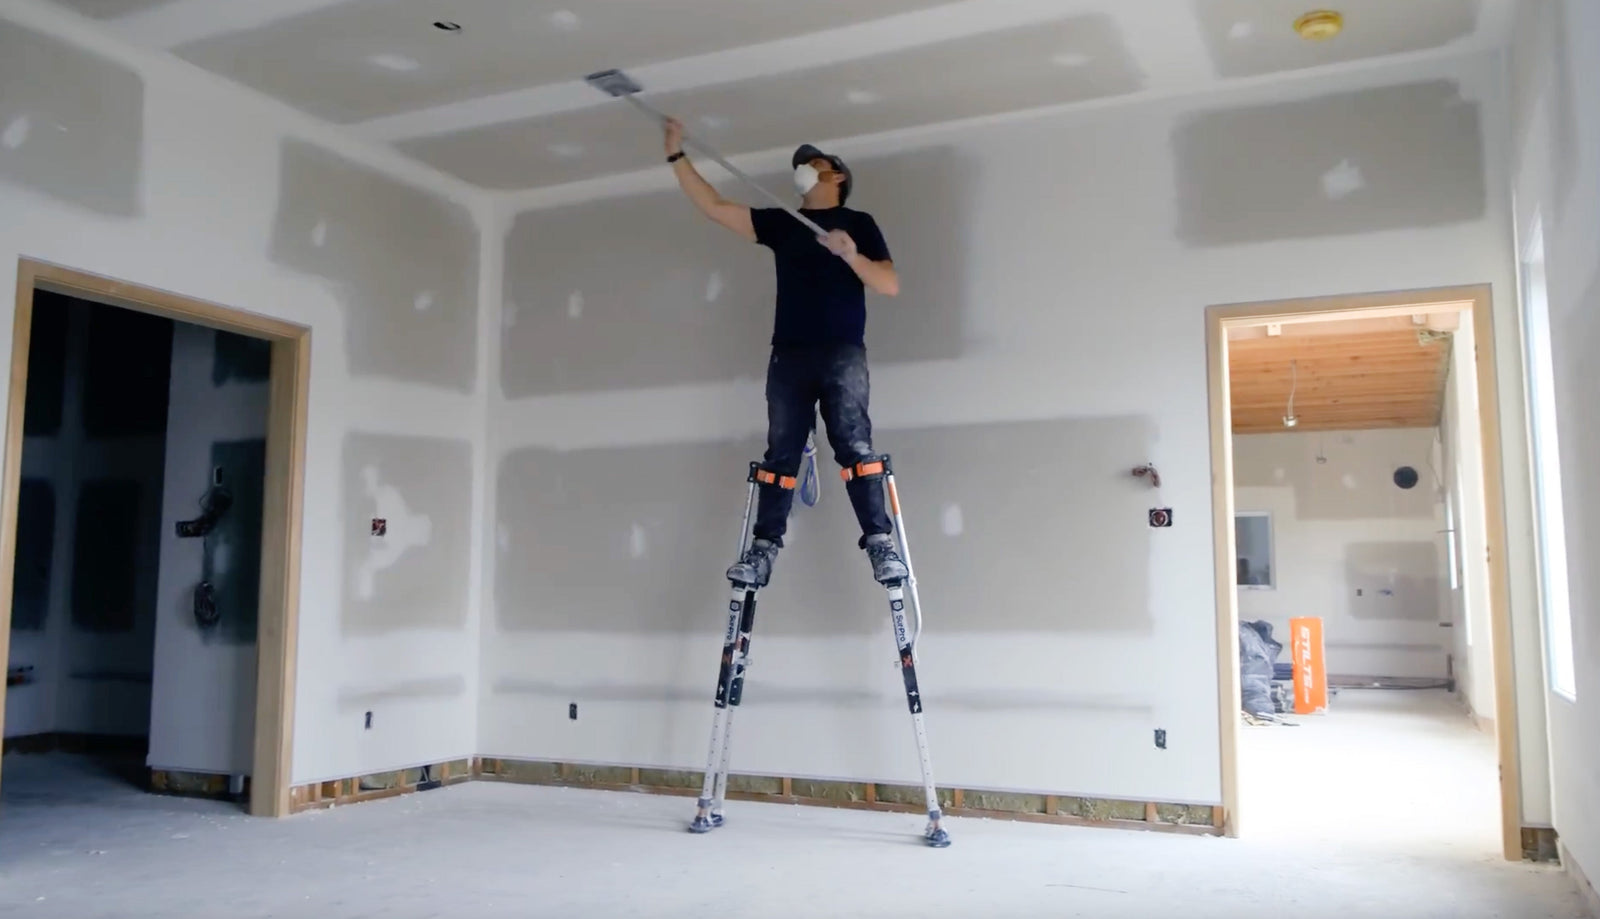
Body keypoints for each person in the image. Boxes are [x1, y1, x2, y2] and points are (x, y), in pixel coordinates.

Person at [662, 117, 909, 590]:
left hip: (841, 354)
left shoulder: (858, 224)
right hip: (789, 356)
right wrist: (676, 155)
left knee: (854, 445)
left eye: (813, 163)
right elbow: (715, 207)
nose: (803, 169)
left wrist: (850, 254)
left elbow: (889, 283)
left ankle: (880, 543)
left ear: (836, 176)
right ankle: (764, 550)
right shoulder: (781, 223)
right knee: (781, 454)